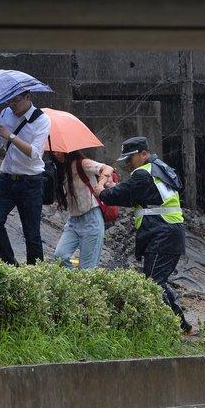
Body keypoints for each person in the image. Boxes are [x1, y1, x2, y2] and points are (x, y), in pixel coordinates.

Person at [98, 137, 192, 333]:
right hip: (168, 231)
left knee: (154, 282)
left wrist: (102, 191)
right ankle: (180, 325)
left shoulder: (142, 173)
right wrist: (114, 189)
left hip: (161, 232)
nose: (128, 163)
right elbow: (139, 195)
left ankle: (177, 326)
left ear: (143, 154)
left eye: (130, 158)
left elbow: (122, 195)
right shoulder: (159, 168)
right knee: (156, 280)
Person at [0, 91, 52, 265]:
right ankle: (10, 264)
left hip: (31, 181)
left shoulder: (41, 119)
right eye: (9, 101)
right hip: (7, 178)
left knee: (32, 234)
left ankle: (35, 276)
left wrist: (11, 136)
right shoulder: (5, 113)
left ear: (28, 97)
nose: (12, 105)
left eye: (16, 100)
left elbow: (34, 152)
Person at [51, 150, 115, 269]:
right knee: (60, 256)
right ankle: (75, 285)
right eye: (53, 151)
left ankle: (82, 285)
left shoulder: (82, 163)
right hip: (73, 220)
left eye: (58, 151)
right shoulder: (61, 169)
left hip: (91, 218)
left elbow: (107, 168)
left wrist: (100, 185)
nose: (55, 154)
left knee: (87, 268)